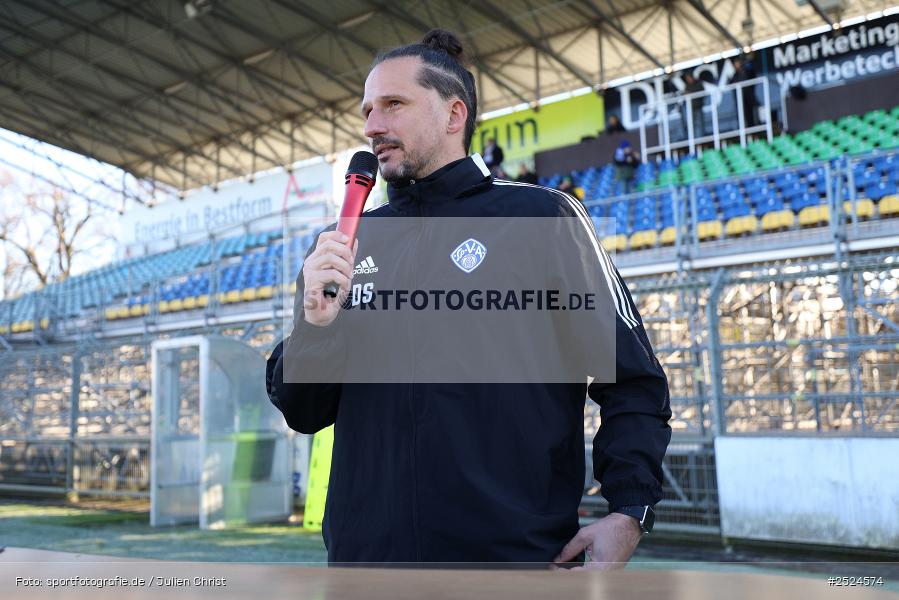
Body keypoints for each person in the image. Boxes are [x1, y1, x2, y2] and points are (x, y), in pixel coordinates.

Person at [266, 28, 671, 568]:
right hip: (366, 567)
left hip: (511, 562)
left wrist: (629, 509)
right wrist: (315, 327)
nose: (372, 126)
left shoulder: (542, 219)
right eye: (367, 110)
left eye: (393, 105)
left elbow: (634, 381)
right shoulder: (346, 245)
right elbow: (305, 412)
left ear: (454, 115)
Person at [732, 56, 759, 127]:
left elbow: (752, 73)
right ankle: (746, 134)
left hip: (748, 99)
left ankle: (754, 133)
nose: (736, 65)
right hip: (740, 100)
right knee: (742, 118)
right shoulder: (735, 75)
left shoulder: (746, 71)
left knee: (751, 116)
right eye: (735, 63)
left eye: (737, 63)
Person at [682, 73, 705, 138]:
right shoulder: (687, 86)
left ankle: (701, 139)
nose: (688, 80)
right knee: (691, 125)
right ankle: (692, 138)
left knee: (700, 124)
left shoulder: (698, 83)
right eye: (687, 79)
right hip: (690, 109)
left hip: (698, 107)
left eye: (688, 78)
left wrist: (691, 94)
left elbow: (701, 93)